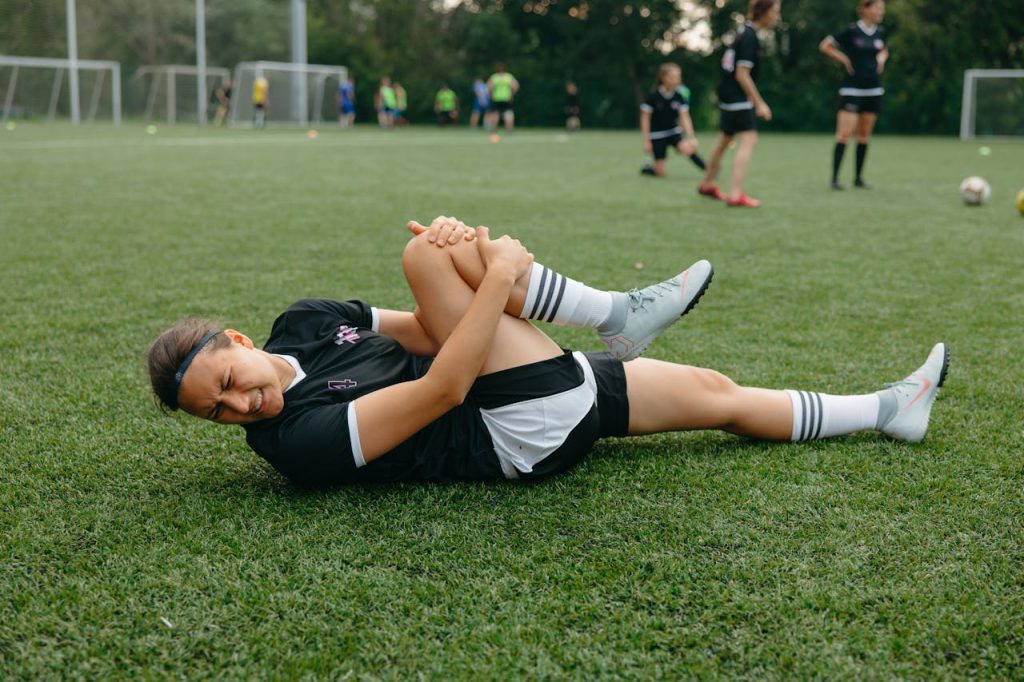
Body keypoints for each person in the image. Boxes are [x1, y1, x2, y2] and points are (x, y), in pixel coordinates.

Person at [147, 216, 949, 487]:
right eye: (217, 414)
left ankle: (890, 410)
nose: (239, 406)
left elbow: (432, 334)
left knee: (717, 390)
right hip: (509, 431)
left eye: (228, 381)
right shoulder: (294, 445)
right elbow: (445, 386)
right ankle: (613, 314)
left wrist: (475, 271)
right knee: (428, 255)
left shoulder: (307, 321)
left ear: (241, 342)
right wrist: (492, 271)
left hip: (519, 382)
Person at [698, 0, 780, 207]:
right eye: (776, 12)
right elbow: (742, 74)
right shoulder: (750, 37)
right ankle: (735, 195)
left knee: (725, 140)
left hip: (727, 95)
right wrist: (759, 103)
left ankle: (707, 183)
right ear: (765, 12)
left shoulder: (743, 31)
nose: (777, 17)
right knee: (749, 140)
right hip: (737, 97)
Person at [820, 0, 889, 190]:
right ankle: (835, 179)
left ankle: (858, 178)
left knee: (864, 136)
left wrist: (881, 58)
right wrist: (844, 59)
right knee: (844, 134)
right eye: (877, 8)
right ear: (865, 9)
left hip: (873, 89)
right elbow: (825, 46)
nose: (880, 12)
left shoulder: (880, 32)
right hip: (852, 89)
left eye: (882, 9)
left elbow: (884, 49)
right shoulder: (851, 31)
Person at [639, 63, 705, 178]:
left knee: (687, 149)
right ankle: (649, 169)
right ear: (663, 77)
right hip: (657, 135)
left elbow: (685, 117)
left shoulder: (679, 96)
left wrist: (691, 137)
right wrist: (646, 141)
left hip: (673, 132)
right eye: (674, 77)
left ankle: (709, 170)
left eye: (679, 77)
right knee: (661, 173)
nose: (677, 80)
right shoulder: (653, 96)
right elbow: (645, 118)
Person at [487, 64, 520, 132]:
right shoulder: (508, 76)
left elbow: (489, 87)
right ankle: (509, 130)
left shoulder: (494, 77)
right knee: (508, 114)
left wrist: (491, 95)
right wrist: (512, 94)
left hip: (496, 98)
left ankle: (494, 130)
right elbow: (516, 85)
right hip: (507, 98)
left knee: (496, 114)